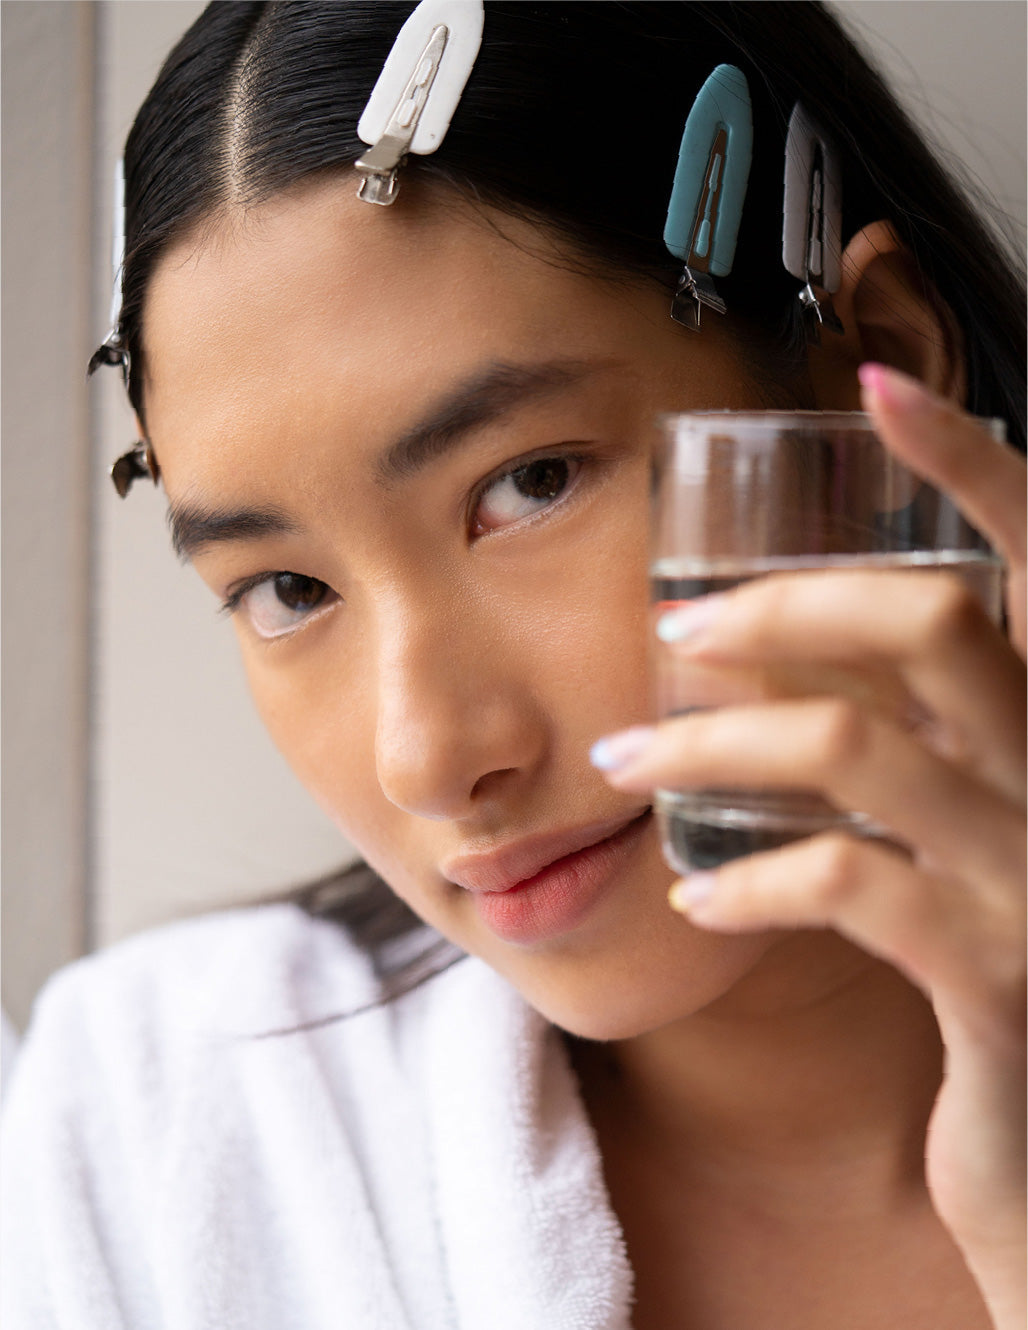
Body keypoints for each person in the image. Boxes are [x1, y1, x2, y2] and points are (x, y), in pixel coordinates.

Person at [2, 3, 1024, 1327]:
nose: (427, 754)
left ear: (876, 368)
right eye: (288, 588)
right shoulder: (157, 1120)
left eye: (530, 484)